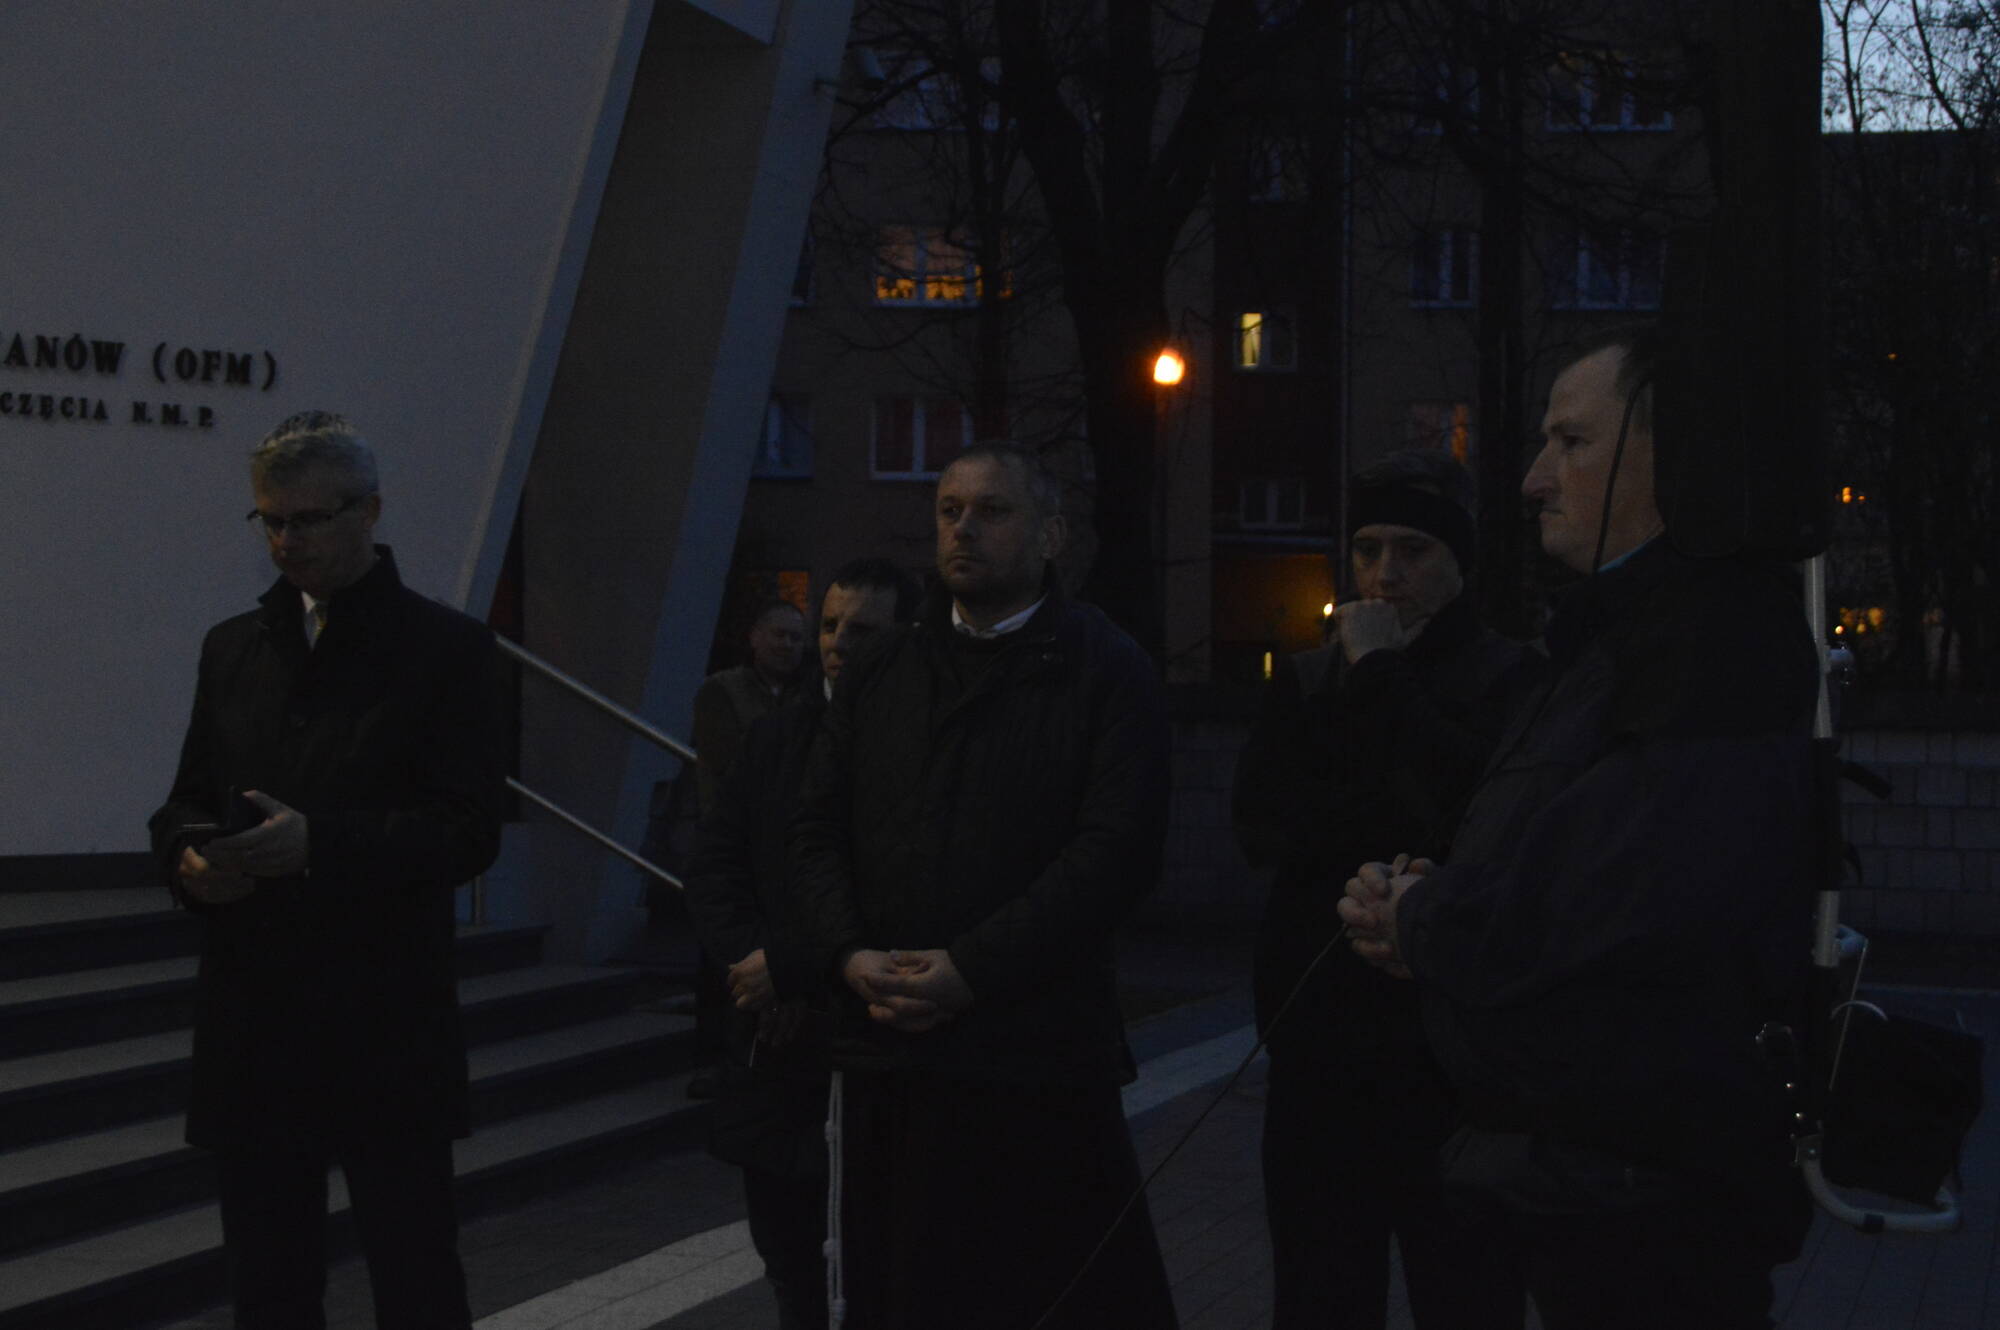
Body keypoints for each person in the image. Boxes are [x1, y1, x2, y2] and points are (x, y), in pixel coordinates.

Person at [1340, 327, 1820, 1329]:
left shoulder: (1706, 647)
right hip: (1578, 1175)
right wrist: (1431, 893)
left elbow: (1612, 888)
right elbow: (1553, 844)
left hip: (1640, 1192)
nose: (1531, 479)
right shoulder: (1618, 640)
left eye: (1570, 442)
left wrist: (1423, 917)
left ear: (1671, 459)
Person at [789, 442, 1178, 1330]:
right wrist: (848, 954)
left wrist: (971, 968)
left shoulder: (1105, 669)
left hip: (1035, 1059)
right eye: (949, 510)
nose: (963, 529)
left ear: (1051, 535)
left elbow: (1116, 855)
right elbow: (813, 831)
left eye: (992, 511)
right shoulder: (883, 671)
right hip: (891, 1057)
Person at [149, 411, 506, 1329]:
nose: (285, 541)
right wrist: (191, 859)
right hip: (256, 1017)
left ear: (370, 512)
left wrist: (321, 845)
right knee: (268, 1287)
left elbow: (468, 830)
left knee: (414, 1277)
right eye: (269, 520)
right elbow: (184, 799)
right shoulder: (235, 646)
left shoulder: (447, 650)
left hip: (383, 1018)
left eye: (307, 519)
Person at [1232, 450, 1533, 1330]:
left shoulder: (1511, 677)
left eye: (1413, 550)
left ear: (1459, 561)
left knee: (1465, 1286)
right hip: (1322, 1044)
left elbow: (1470, 812)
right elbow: (1263, 825)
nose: (1384, 574)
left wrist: (1378, 683)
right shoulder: (1306, 678)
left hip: (1449, 1054)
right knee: (1320, 1286)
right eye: (1367, 550)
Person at [683, 556, 920, 1330]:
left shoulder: (923, 741)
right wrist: (754, 963)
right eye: (829, 625)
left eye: (862, 630)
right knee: (788, 1254)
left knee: (877, 1259)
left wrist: (796, 968)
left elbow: (903, 890)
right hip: (776, 1047)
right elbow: (716, 865)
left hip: (870, 1045)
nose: (837, 644)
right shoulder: (776, 738)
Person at [691, 598, 809, 816]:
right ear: (755, 637)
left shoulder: (807, 697)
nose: (787, 645)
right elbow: (726, 763)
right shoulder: (721, 689)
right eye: (779, 635)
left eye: (796, 638)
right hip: (729, 820)